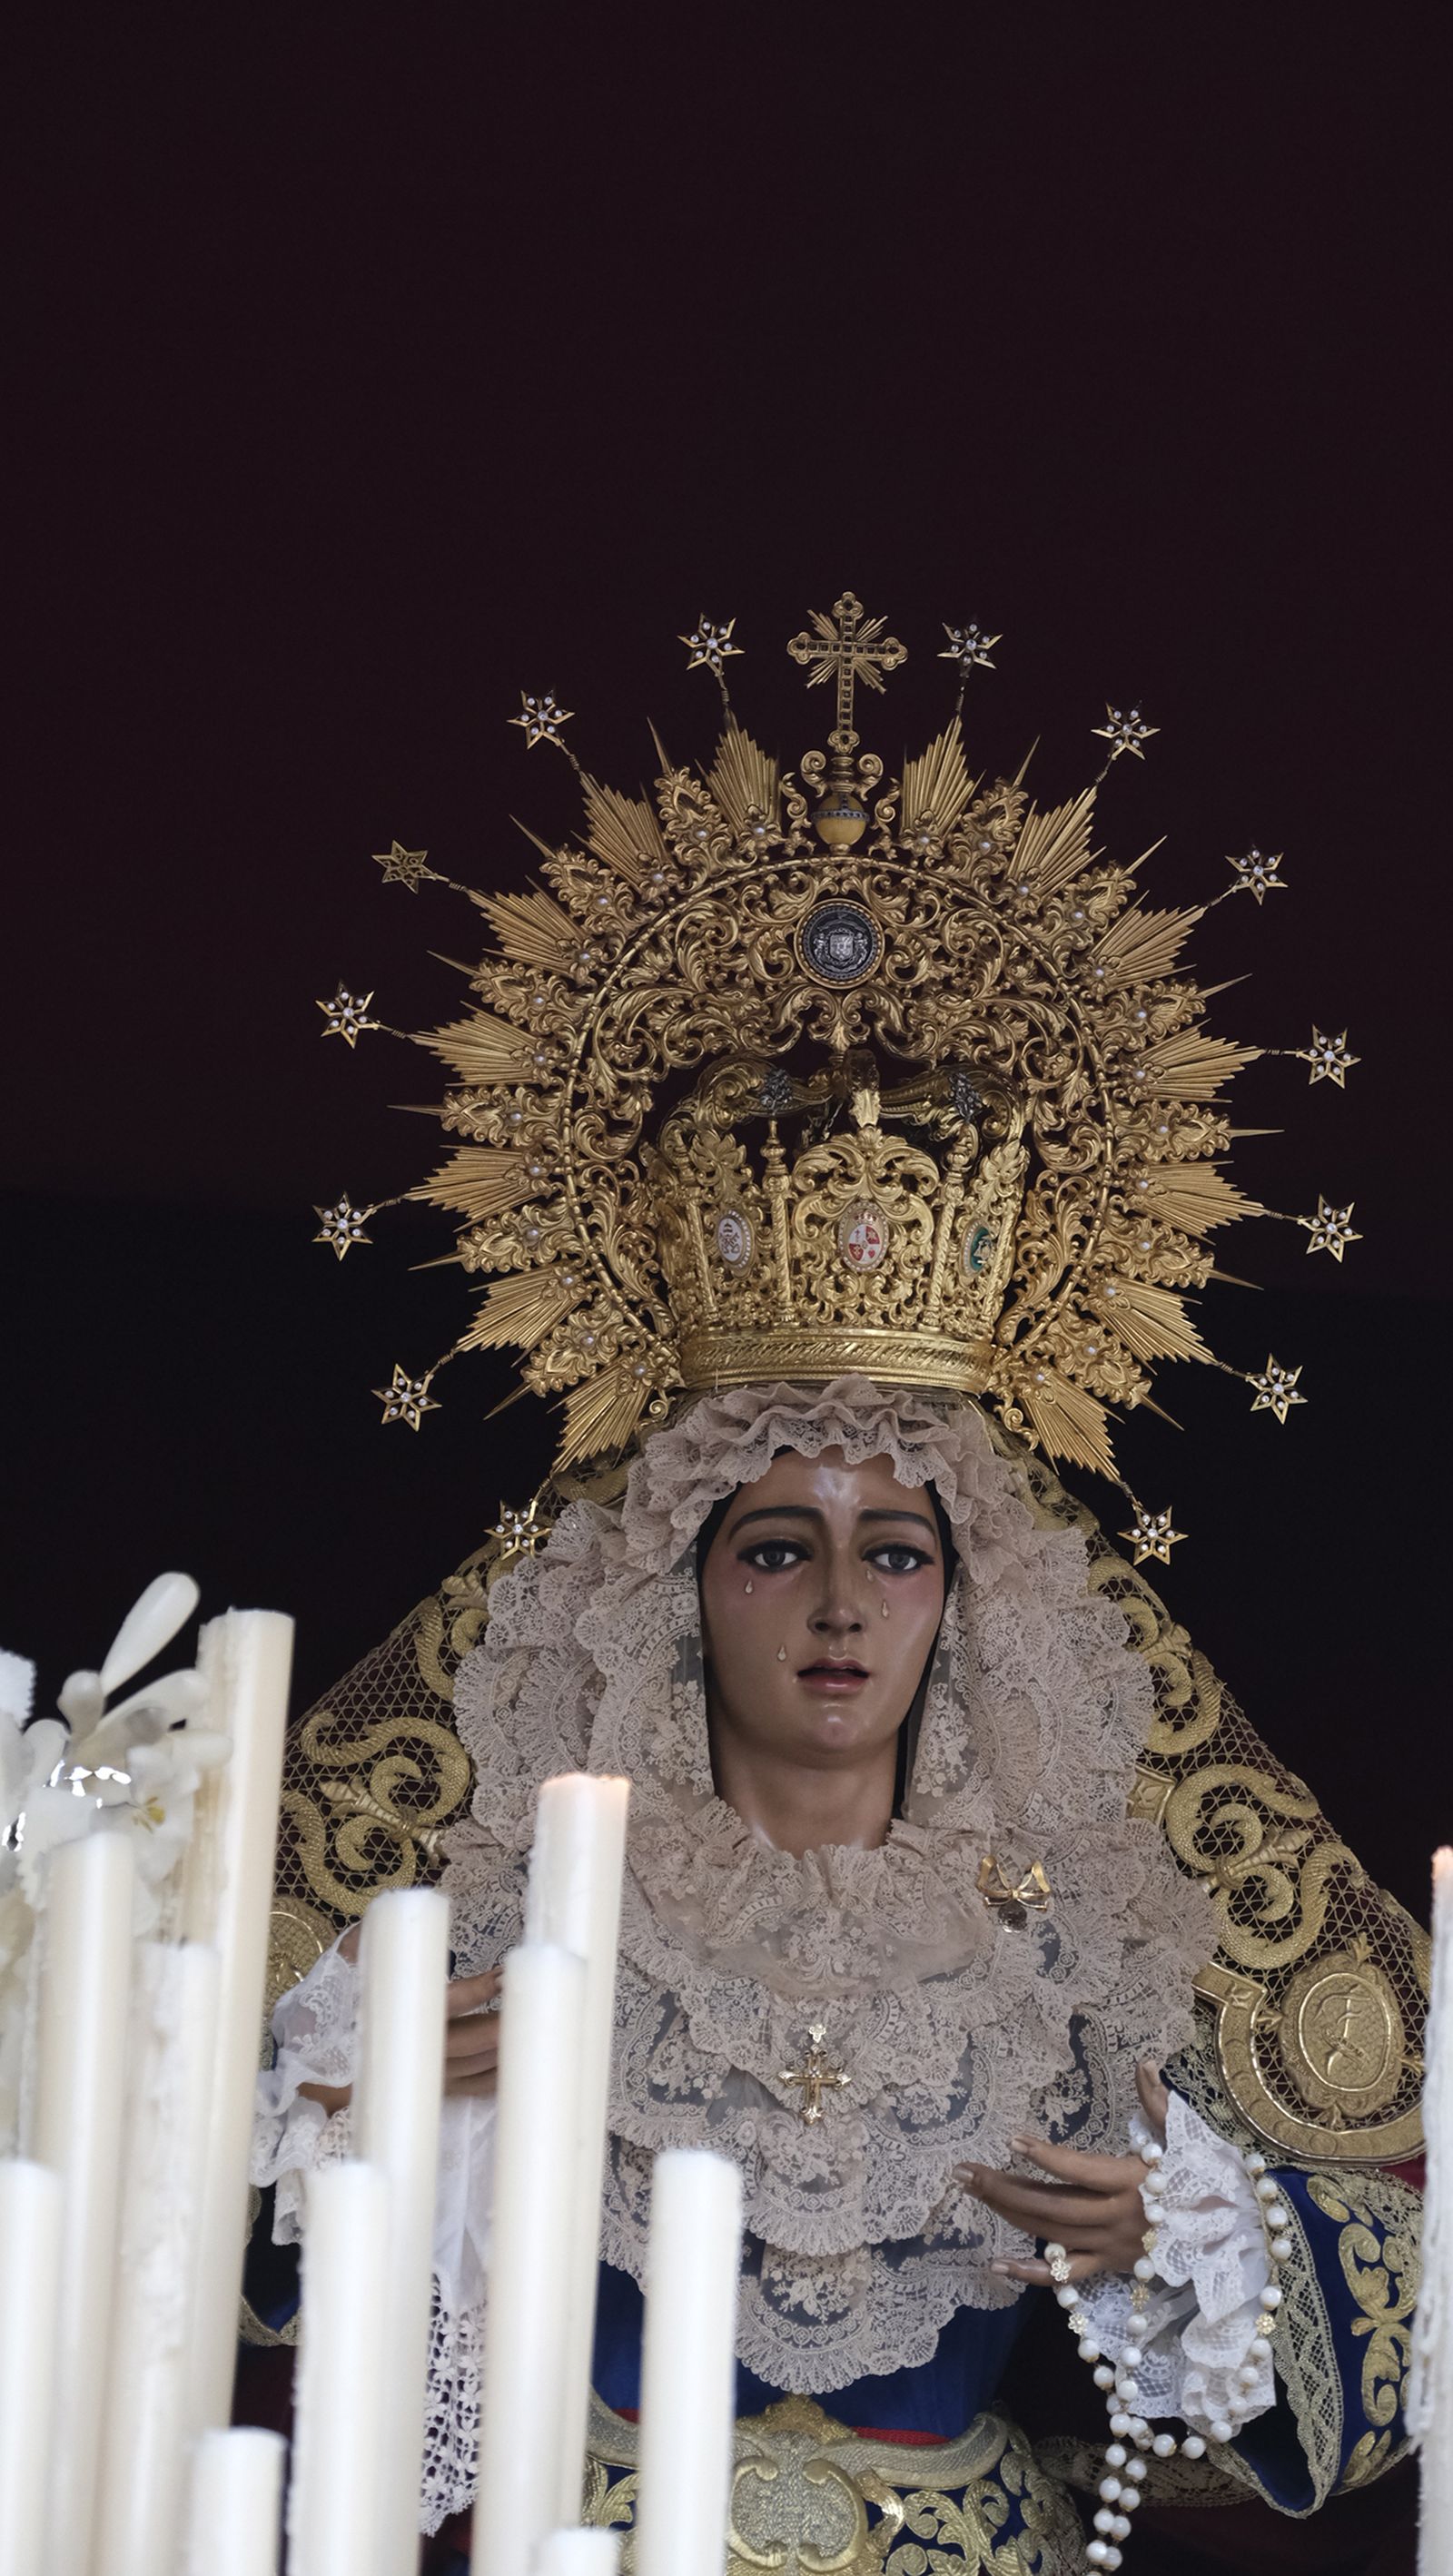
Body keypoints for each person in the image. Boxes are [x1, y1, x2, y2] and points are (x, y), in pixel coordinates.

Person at [249, 601, 1424, 2570]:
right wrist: (347, 2123)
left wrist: (1196, 2242)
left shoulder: (1079, 1931)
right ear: (673, 1592)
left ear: (964, 1602)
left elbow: (1374, 2254)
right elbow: (210, 2228)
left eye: (894, 1552)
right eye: (774, 1548)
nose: (837, 1607)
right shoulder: (520, 1914)